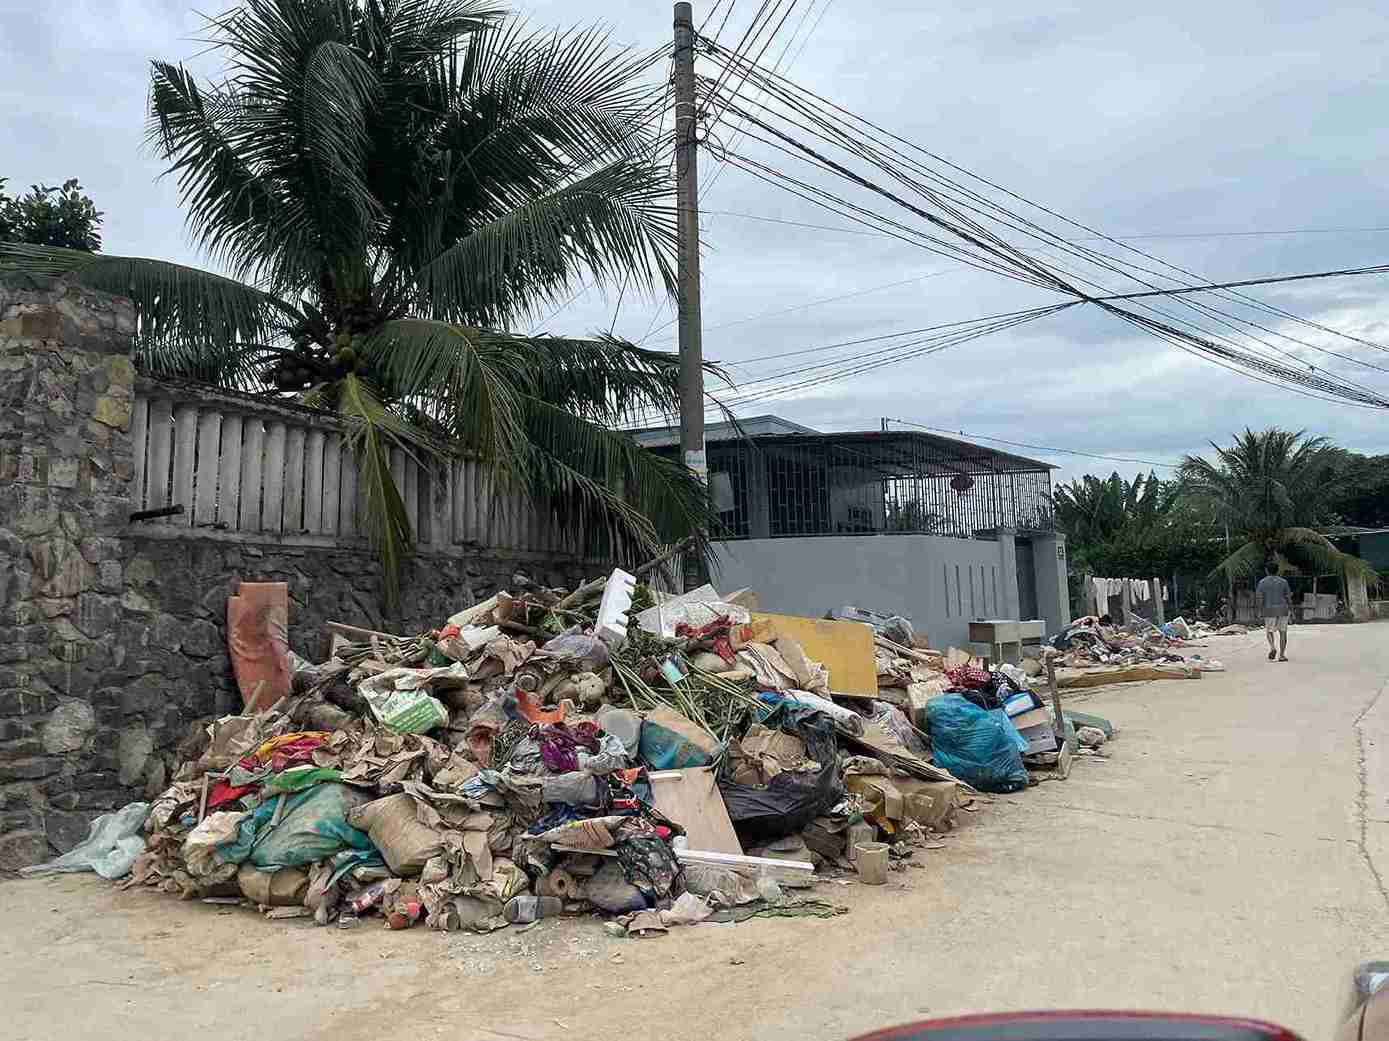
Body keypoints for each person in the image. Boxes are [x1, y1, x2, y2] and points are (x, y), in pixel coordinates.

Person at [1255, 565, 1292, 661]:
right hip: (1283, 609)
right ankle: (1282, 655)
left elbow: (1260, 598)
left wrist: (1259, 611)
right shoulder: (1284, 582)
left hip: (1269, 609)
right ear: (1277, 571)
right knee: (1283, 632)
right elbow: (1288, 597)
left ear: (1267, 570)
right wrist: (1291, 609)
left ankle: (1272, 647)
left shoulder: (1262, 582)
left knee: (1269, 631)